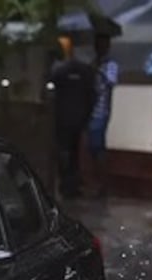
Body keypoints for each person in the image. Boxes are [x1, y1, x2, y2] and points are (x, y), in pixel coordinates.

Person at [49, 35, 97, 199]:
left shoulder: (59, 71)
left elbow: (52, 93)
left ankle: (66, 184)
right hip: (80, 119)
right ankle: (74, 184)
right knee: (76, 153)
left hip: (62, 119)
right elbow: (92, 96)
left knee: (65, 151)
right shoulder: (86, 71)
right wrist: (87, 116)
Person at [87, 33, 119, 197]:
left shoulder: (110, 64)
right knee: (92, 148)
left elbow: (111, 82)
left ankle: (103, 185)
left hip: (101, 110)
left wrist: (98, 71)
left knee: (98, 148)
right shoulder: (93, 62)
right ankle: (96, 182)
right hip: (89, 111)